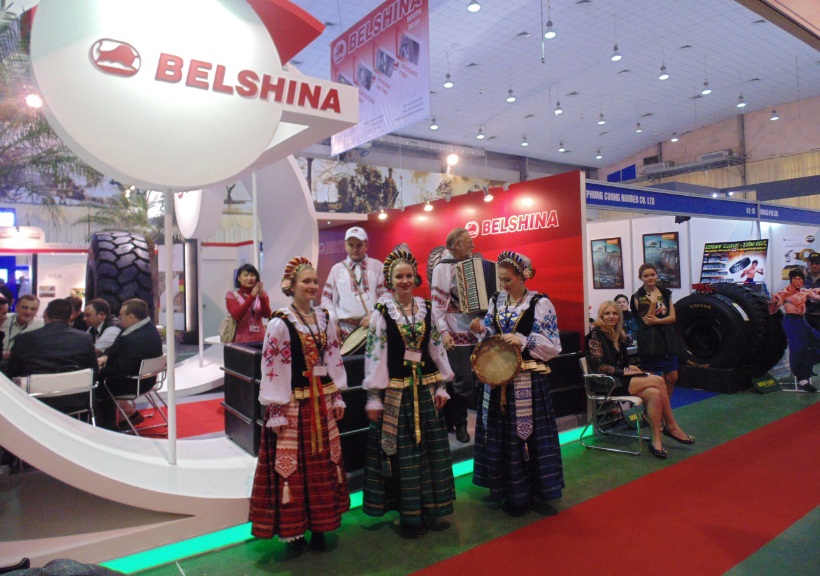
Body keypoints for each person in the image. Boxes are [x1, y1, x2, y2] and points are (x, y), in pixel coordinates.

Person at [249, 257, 349, 552]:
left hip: (321, 401)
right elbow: (272, 366)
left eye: (315, 281)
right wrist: (275, 409)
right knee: (292, 468)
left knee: (322, 464)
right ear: (291, 286)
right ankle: (294, 531)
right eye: (306, 281)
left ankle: (320, 526)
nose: (312, 286)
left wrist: (337, 393)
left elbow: (332, 356)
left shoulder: (324, 318)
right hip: (292, 405)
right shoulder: (280, 322)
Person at [362, 247, 455, 538]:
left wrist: (442, 384)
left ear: (415, 277)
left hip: (425, 389)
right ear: (389, 281)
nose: (404, 280)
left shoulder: (426, 308)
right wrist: (373, 396)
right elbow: (375, 354)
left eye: (408, 275)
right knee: (402, 454)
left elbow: (436, 347)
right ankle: (408, 514)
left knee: (429, 451)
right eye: (398, 276)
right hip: (396, 393)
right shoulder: (382, 313)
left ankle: (430, 507)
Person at [468, 251, 564, 516]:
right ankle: (505, 488)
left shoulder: (540, 303)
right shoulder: (497, 300)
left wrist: (524, 340)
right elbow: (491, 332)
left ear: (523, 277)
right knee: (499, 432)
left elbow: (553, 345)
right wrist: (481, 330)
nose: (503, 285)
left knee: (525, 434)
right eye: (500, 280)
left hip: (526, 378)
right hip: (497, 376)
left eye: (508, 280)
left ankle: (527, 492)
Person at [586, 301, 695, 459]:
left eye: (614, 313)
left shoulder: (618, 334)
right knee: (658, 381)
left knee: (654, 393)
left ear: (619, 316)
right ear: (601, 316)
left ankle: (656, 442)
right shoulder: (595, 335)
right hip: (606, 383)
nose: (611, 317)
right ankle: (671, 425)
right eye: (607, 313)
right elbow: (600, 367)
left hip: (619, 378)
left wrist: (630, 367)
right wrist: (625, 371)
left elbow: (621, 363)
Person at [431, 227, 482, 443]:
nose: (473, 245)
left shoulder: (474, 264)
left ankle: (462, 421)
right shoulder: (443, 267)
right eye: (469, 242)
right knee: (461, 379)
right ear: (457, 244)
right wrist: (443, 332)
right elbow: (437, 304)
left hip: (476, 330)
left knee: (474, 378)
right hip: (455, 330)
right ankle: (460, 423)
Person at [3, 298, 98, 414]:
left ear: (45, 314)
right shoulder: (84, 339)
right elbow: (93, 371)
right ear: (70, 317)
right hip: (75, 401)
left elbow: (12, 372)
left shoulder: (24, 339)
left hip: (34, 401)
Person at [97, 299, 163, 431]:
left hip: (134, 382)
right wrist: (106, 357)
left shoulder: (134, 339)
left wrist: (98, 371)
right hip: (147, 378)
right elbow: (117, 349)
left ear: (132, 317)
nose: (119, 317)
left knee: (97, 385)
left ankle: (107, 428)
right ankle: (128, 416)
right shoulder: (147, 328)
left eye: (121, 314)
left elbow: (120, 370)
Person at [320, 226, 387, 343]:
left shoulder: (378, 266)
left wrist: (375, 314)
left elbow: (386, 295)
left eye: (359, 245)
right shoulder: (337, 269)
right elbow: (326, 298)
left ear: (366, 245)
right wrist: (333, 322)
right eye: (351, 245)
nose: (355, 249)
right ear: (345, 245)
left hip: (372, 327)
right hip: (345, 330)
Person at [630, 263, 678, 398]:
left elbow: (672, 317)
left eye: (652, 274)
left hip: (667, 340)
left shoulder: (665, 293)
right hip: (649, 341)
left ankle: (665, 406)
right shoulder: (638, 296)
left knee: (672, 377)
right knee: (651, 380)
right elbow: (647, 320)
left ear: (657, 275)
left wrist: (658, 321)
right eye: (646, 276)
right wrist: (652, 302)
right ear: (641, 278)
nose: (650, 278)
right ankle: (652, 407)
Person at [770, 268, 820, 393]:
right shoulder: (785, 293)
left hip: (802, 320)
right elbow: (772, 310)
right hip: (791, 321)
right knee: (798, 348)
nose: (798, 281)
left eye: (800, 279)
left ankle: (807, 368)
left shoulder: (805, 291)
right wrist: (774, 302)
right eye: (795, 279)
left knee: (816, 340)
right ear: (791, 280)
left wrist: (817, 291)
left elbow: (817, 299)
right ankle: (802, 379)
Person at [225, 264, 271, 344]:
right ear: (239, 278)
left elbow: (267, 314)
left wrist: (262, 298)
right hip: (240, 342)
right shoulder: (231, 295)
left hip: (261, 340)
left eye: (252, 275)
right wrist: (252, 296)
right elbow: (237, 316)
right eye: (245, 275)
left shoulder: (262, 294)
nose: (249, 278)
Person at [1, 294, 44, 360]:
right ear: (16, 307)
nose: (28, 312)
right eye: (24, 308)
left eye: (33, 309)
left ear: (37, 311)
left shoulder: (42, 325)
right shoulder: (4, 319)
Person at [804, 252, 820, 332]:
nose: (814, 265)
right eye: (812, 263)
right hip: (805, 317)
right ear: (808, 263)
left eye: (817, 263)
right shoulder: (801, 278)